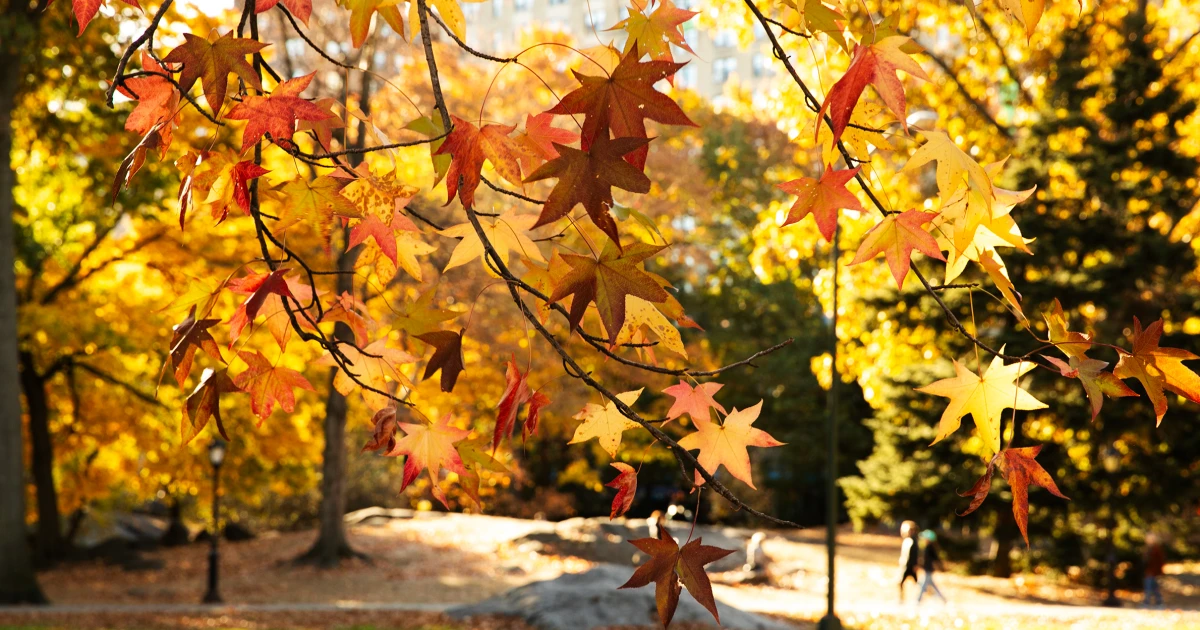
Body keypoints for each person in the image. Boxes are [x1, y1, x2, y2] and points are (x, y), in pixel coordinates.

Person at [917, 529, 947, 604]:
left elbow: (936, 558)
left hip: (929, 569)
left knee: (923, 585)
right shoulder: (927, 547)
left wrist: (941, 566)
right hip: (927, 568)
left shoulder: (930, 548)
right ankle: (943, 599)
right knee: (932, 585)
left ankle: (918, 600)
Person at [898, 521, 920, 602]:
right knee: (900, 582)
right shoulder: (907, 540)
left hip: (910, 566)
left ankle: (918, 598)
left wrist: (915, 565)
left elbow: (915, 554)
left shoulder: (913, 541)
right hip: (906, 565)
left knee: (916, 584)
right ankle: (902, 599)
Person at [1144, 533, 1166, 608]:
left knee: (1150, 587)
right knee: (1154, 588)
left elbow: (1160, 562)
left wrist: (1160, 572)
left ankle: (1147, 602)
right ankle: (1158, 601)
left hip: (1153, 572)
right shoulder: (1148, 549)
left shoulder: (1156, 549)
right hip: (1150, 572)